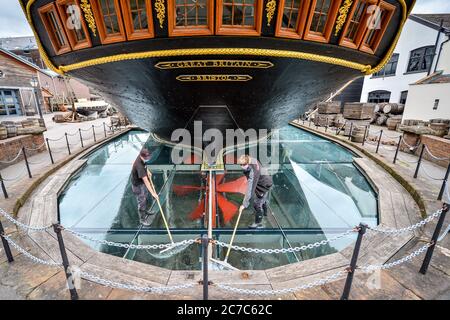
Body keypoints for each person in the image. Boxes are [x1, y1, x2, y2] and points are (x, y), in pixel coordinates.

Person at [238, 154, 273, 229]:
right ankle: (265, 209)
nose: (241, 166)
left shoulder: (253, 172)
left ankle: (259, 223)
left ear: (247, 163)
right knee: (262, 199)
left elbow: (250, 190)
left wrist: (244, 204)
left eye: (243, 164)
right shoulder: (252, 159)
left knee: (257, 204)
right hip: (265, 180)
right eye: (240, 164)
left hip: (263, 185)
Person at [131, 148, 159, 226]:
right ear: (141, 156)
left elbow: (144, 165)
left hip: (141, 183)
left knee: (145, 196)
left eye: (148, 157)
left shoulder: (141, 158)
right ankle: (142, 219)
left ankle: (145, 211)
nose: (148, 159)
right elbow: (146, 181)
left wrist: (148, 171)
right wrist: (153, 193)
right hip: (138, 186)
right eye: (146, 158)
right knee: (142, 201)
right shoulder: (139, 166)